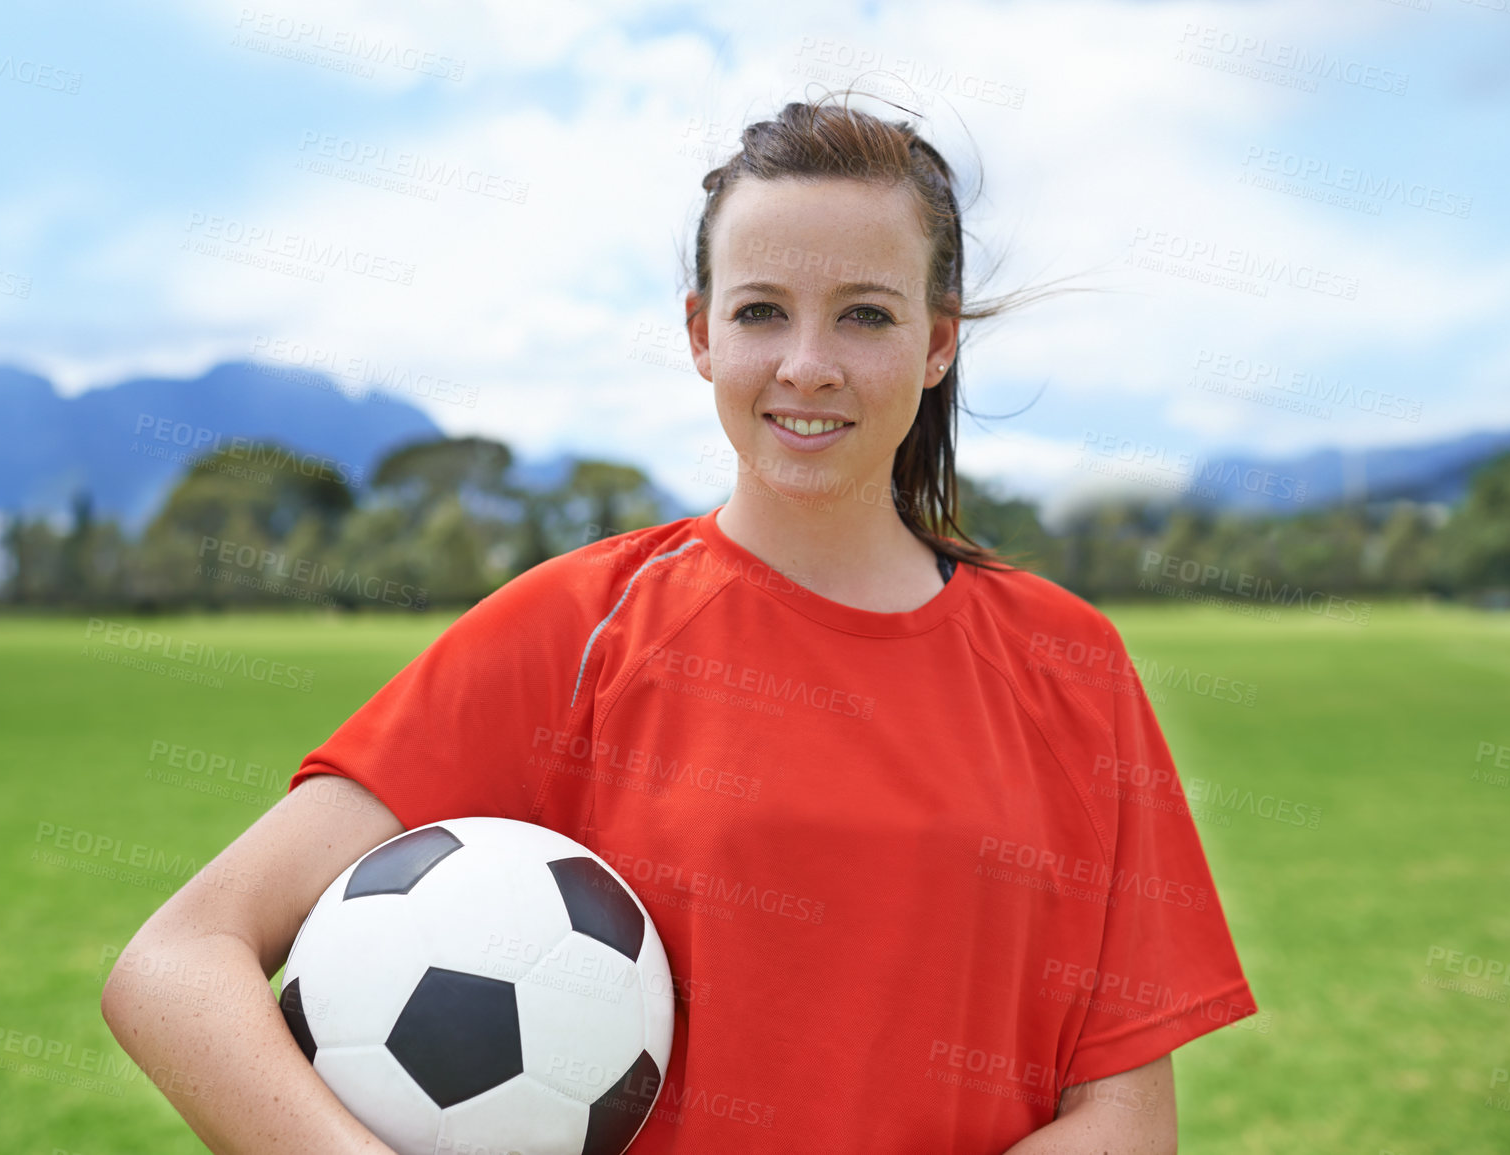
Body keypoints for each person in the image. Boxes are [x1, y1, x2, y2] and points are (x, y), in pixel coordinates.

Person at [103, 95, 1255, 1154]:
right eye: (763, 313)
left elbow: (1123, 1119)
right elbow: (174, 965)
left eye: (865, 315)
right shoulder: (577, 628)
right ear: (703, 333)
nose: (808, 367)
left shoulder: (1068, 662)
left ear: (938, 340)